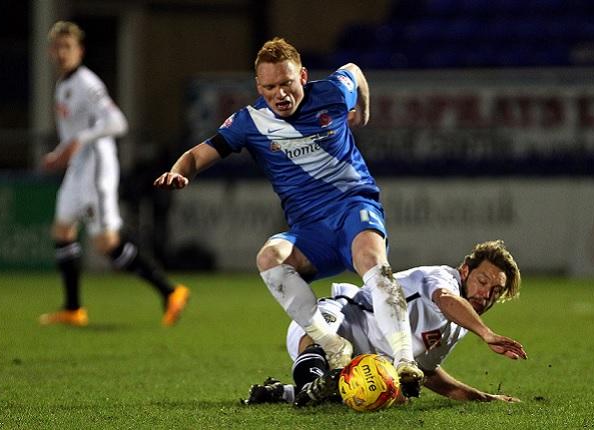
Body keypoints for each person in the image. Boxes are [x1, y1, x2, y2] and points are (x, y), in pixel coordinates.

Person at [154, 37, 423, 392]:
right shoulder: (250, 122)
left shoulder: (330, 93)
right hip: (311, 232)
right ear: (258, 86)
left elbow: (355, 71)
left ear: (303, 76)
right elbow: (199, 153)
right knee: (270, 257)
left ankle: (405, 360)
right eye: (269, 87)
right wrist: (179, 171)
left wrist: (365, 110)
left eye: (287, 83)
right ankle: (332, 345)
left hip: (354, 208)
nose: (279, 94)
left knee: (373, 262)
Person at [243, 240, 527, 406]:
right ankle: (311, 382)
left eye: (496, 291)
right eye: (482, 281)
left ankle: (285, 392)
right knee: (325, 342)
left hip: (364, 364)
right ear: (465, 271)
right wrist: (486, 334)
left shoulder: (457, 328)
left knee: (389, 395)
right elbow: (444, 299)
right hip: (338, 318)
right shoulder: (443, 278)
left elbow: (427, 372)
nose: (486, 294)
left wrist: (485, 398)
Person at [39, 21, 189, 327]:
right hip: (78, 167)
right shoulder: (63, 84)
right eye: (57, 47)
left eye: (67, 47)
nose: (61, 53)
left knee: (106, 242)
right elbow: (75, 130)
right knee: (62, 230)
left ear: (79, 51)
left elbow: (118, 122)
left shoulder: (86, 83)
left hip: (96, 166)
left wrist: (81, 140)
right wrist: (61, 151)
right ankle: (72, 309)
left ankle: (170, 290)